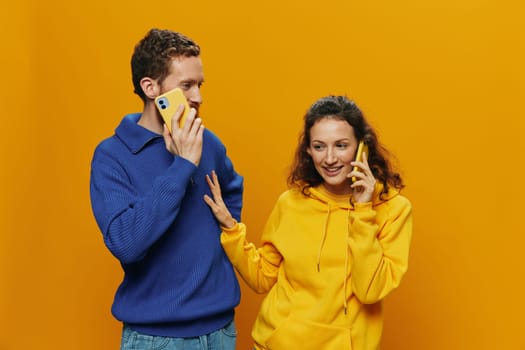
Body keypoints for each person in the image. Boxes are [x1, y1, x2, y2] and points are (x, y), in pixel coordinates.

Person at [204, 95, 413, 350]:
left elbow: (369, 290)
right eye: (319, 146)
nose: (330, 158)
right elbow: (262, 278)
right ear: (308, 150)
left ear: (362, 147)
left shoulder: (394, 210)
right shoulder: (291, 203)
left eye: (341, 145)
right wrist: (230, 229)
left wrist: (363, 209)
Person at [89, 28, 243, 349]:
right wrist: (182, 166)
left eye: (199, 85)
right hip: (156, 338)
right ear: (151, 88)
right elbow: (127, 244)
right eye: (186, 86)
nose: (198, 97)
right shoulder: (111, 157)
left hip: (220, 331)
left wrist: (216, 241)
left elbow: (231, 190)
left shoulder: (207, 142)